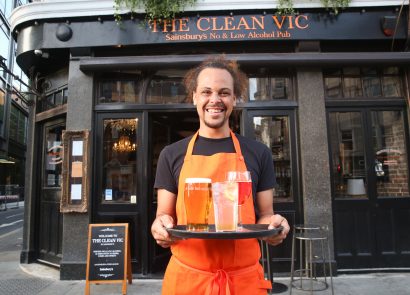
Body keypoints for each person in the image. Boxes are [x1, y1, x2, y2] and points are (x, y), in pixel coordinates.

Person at [151, 55, 290, 295]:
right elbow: (163, 215)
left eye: (224, 92)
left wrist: (275, 226)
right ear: (194, 96)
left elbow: (265, 215)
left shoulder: (258, 153)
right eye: (206, 92)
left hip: (244, 281)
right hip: (187, 281)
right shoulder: (171, 154)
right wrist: (160, 228)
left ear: (234, 99)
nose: (215, 100)